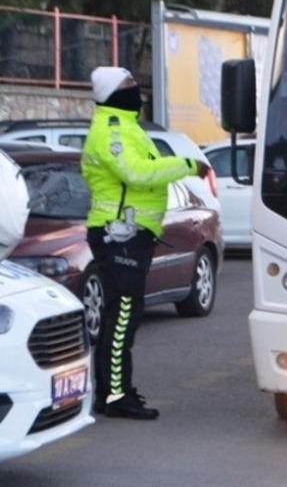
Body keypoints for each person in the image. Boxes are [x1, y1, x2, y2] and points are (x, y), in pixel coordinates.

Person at [81, 67, 209, 419]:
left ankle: (111, 393)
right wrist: (185, 164)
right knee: (122, 316)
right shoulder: (112, 132)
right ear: (111, 92)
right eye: (128, 86)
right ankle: (116, 396)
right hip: (118, 234)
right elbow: (137, 173)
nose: (136, 90)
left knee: (120, 315)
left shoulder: (129, 127)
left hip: (131, 234)